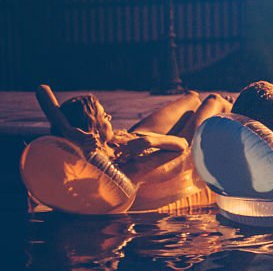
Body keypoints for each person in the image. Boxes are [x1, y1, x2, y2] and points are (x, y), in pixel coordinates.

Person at [35, 84, 233, 210]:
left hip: (130, 138)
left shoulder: (86, 143)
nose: (110, 117)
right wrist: (149, 142)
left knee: (191, 98)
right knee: (213, 100)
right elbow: (182, 145)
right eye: (104, 116)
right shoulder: (123, 169)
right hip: (175, 146)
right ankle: (234, 106)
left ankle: (200, 103)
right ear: (94, 129)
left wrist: (67, 130)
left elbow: (42, 89)